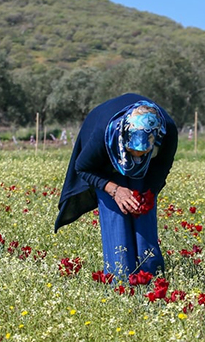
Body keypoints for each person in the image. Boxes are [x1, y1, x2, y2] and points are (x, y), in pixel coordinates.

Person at [55, 93, 178, 278]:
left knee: (143, 214)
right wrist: (114, 189)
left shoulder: (167, 131)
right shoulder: (104, 133)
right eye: (133, 151)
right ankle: (120, 280)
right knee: (117, 221)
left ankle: (150, 276)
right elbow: (82, 168)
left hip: (143, 165)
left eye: (143, 152)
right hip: (104, 164)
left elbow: (161, 168)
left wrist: (149, 192)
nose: (137, 157)